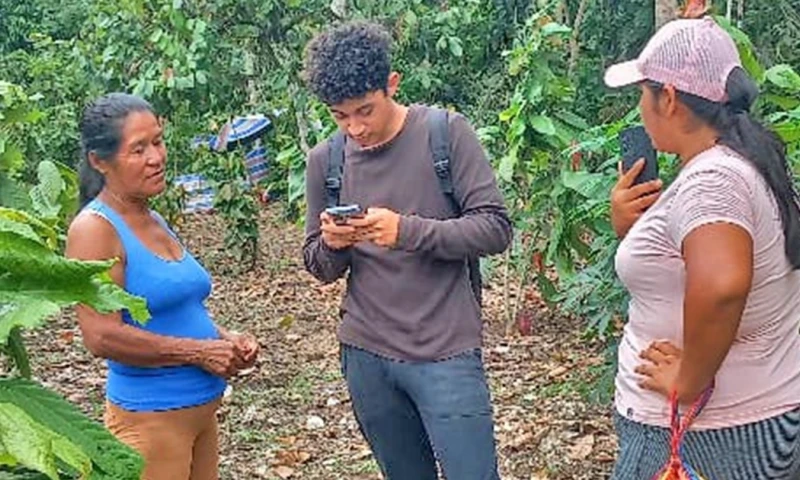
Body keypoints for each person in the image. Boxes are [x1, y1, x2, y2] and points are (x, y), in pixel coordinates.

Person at [301, 20, 512, 480]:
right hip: (367, 356)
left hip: (446, 352)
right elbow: (317, 263)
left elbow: (495, 229)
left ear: (392, 84)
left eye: (365, 110)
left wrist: (407, 232)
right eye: (340, 116)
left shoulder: (445, 133)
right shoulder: (326, 161)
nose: (355, 128)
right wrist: (334, 244)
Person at [605, 17, 800, 479]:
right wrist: (631, 227)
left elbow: (722, 284)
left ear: (668, 98)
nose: (639, 107)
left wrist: (688, 379)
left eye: (642, 93)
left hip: (711, 437)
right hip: (750, 425)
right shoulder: (737, 165)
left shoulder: (712, 180)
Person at [66, 93, 260, 480]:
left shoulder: (151, 217)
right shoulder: (95, 229)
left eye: (157, 141)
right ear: (99, 161)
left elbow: (173, 310)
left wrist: (227, 339)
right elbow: (101, 335)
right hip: (150, 423)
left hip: (199, 417)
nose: (156, 157)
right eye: (138, 149)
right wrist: (199, 353)